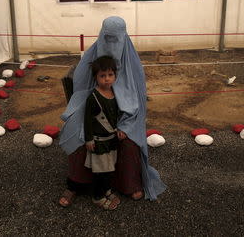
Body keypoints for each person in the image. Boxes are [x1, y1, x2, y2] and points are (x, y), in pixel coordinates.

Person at [58, 16, 166, 207]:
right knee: (76, 133)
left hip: (125, 116)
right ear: (101, 35)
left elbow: (138, 101)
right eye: (107, 38)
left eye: (115, 39)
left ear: (124, 37)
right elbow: (82, 92)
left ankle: (128, 184)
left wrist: (125, 123)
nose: (111, 44)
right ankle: (76, 185)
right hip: (92, 110)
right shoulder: (91, 58)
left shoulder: (132, 63)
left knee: (130, 141)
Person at [84, 56, 122, 210]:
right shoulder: (93, 97)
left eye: (110, 75)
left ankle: (106, 190)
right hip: (98, 142)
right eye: (102, 75)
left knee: (109, 169)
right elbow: (87, 120)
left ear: (115, 76)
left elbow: (117, 116)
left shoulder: (116, 93)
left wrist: (120, 129)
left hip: (112, 140)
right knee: (100, 172)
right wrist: (88, 139)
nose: (107, 79)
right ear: (96, 77)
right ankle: (97, 196)